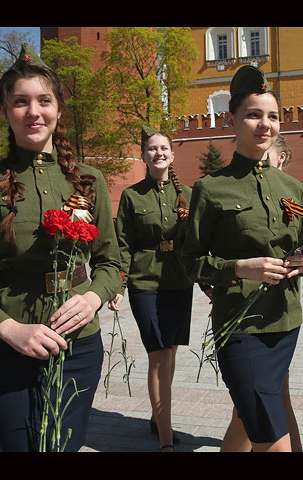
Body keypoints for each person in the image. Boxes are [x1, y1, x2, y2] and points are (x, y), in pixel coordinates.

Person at [0, 44, 121, 452]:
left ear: (59, 110)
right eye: (20, 102)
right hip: (8, 346)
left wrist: (94, 297)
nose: (33, 112)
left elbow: (112, 261)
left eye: (44, 100)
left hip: (78, 344)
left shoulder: (89, 181)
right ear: (5, 112)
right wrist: (9, 330)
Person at [182, 65, 303, 452]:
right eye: (254, 115)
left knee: (248, 422)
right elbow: (189, 260)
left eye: (273, 116)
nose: (266, 125)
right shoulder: (211, 189)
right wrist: (240, 269)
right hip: (239, 326)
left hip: (285, 322)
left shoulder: (293, 186)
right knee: (270, 437)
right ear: (233, 120)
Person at [108, 126, 195, 452]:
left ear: (171, 155)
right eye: (152, 149)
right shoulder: (132, 196)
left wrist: (209, 283)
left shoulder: (187, 193)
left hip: (178, 281)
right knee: (158, 355)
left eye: (163, 149)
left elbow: (195, 242)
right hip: (145, 283)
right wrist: (118, 284)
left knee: (170, 355)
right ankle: (166, 441)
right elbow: (124, 244)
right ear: (144, 156)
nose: (158, 153)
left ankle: (159, 417)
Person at [219, 133, 303, 452]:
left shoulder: (292, 195)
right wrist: (223, 282)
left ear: (280, 158)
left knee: (265, 401)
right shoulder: (230, 188)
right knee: (255, 406)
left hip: (281, 315)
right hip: (244, 314)